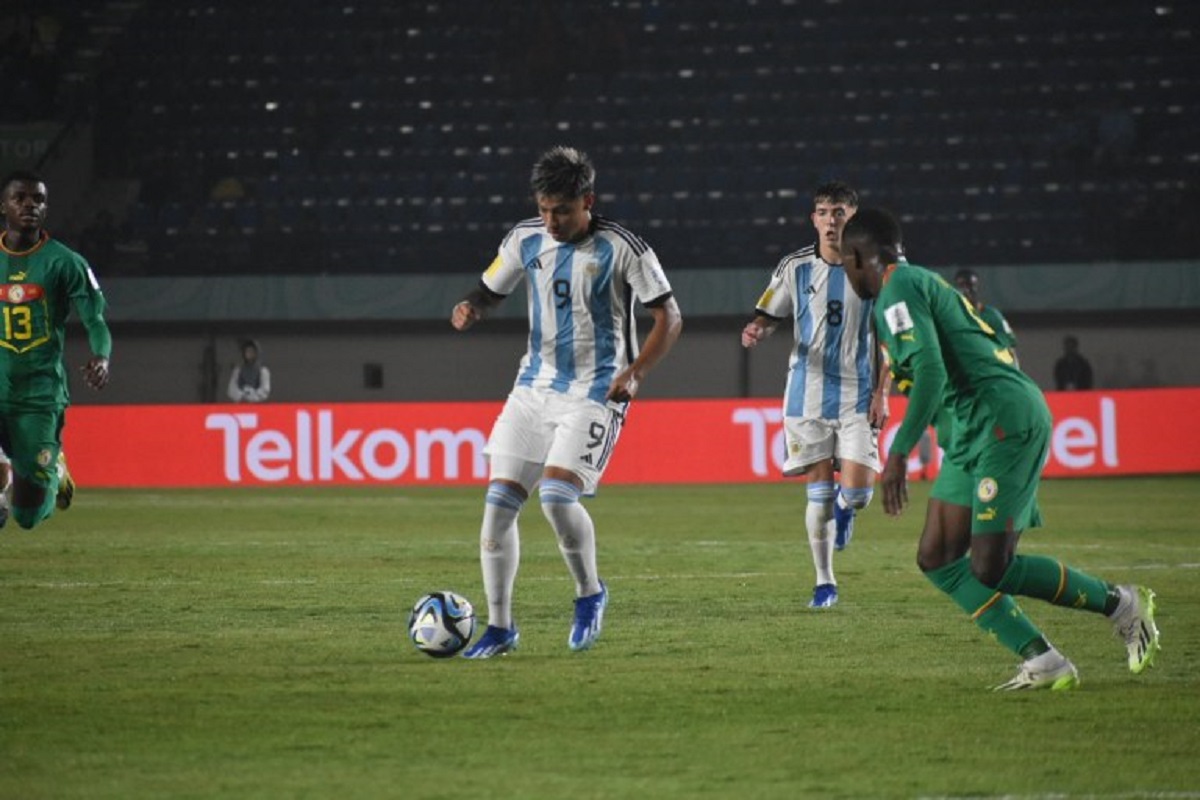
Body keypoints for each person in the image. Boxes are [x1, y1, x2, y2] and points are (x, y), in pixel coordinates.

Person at [839, 207, 1160, 690]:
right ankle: (1043, 660)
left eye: (846, 262)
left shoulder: (898, 288)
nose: (846, 272)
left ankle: (1121, 604)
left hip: (1004, 422)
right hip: (971, 434)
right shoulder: (907, 289)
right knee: (937, 558)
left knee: (991, 566)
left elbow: (930, 373)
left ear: (860, 255)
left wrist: (900, 451)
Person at [450, 146, 682, 659]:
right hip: (533, 389)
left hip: (597, 392)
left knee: (556, 498)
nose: (551, 221)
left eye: (562, 210)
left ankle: (589, 592)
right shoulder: (524, 238)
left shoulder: (623, 247)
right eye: (544, 209)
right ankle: (501, 627)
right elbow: (491, 290)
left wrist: (636, 371)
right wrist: (471, 307)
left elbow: (670, 317)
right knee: (496, 512)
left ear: (587, 202)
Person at [740, 181, 889, 609]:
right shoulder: (794, 267)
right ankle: (824, 582)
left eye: (839, 212)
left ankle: (849, 508)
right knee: (818, 490)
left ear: (852, 218)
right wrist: (757, 330)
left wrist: (883, 391)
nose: (830, 220)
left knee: (858, 493)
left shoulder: (872, 266)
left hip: (859, 393)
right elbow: (769, 314)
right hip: (806, 391)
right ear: (813, 219)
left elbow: (890, 337)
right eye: (823, 212)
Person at [0, 170, 111, 529]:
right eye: (20, 198)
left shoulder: (65, 262)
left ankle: (55, 469)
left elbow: (95, 320)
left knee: (28, 516)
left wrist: (101, 357)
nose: (30, 204)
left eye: (38, 200)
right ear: (4, 206)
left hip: (39, 395)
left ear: (46, 209)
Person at [953, 269, 1019, 366]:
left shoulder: (992, 315)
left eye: (970, 285)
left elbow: (1009, 345)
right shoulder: (953, 317)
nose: (966, 290)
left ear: (977, 287)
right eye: (961, 286)